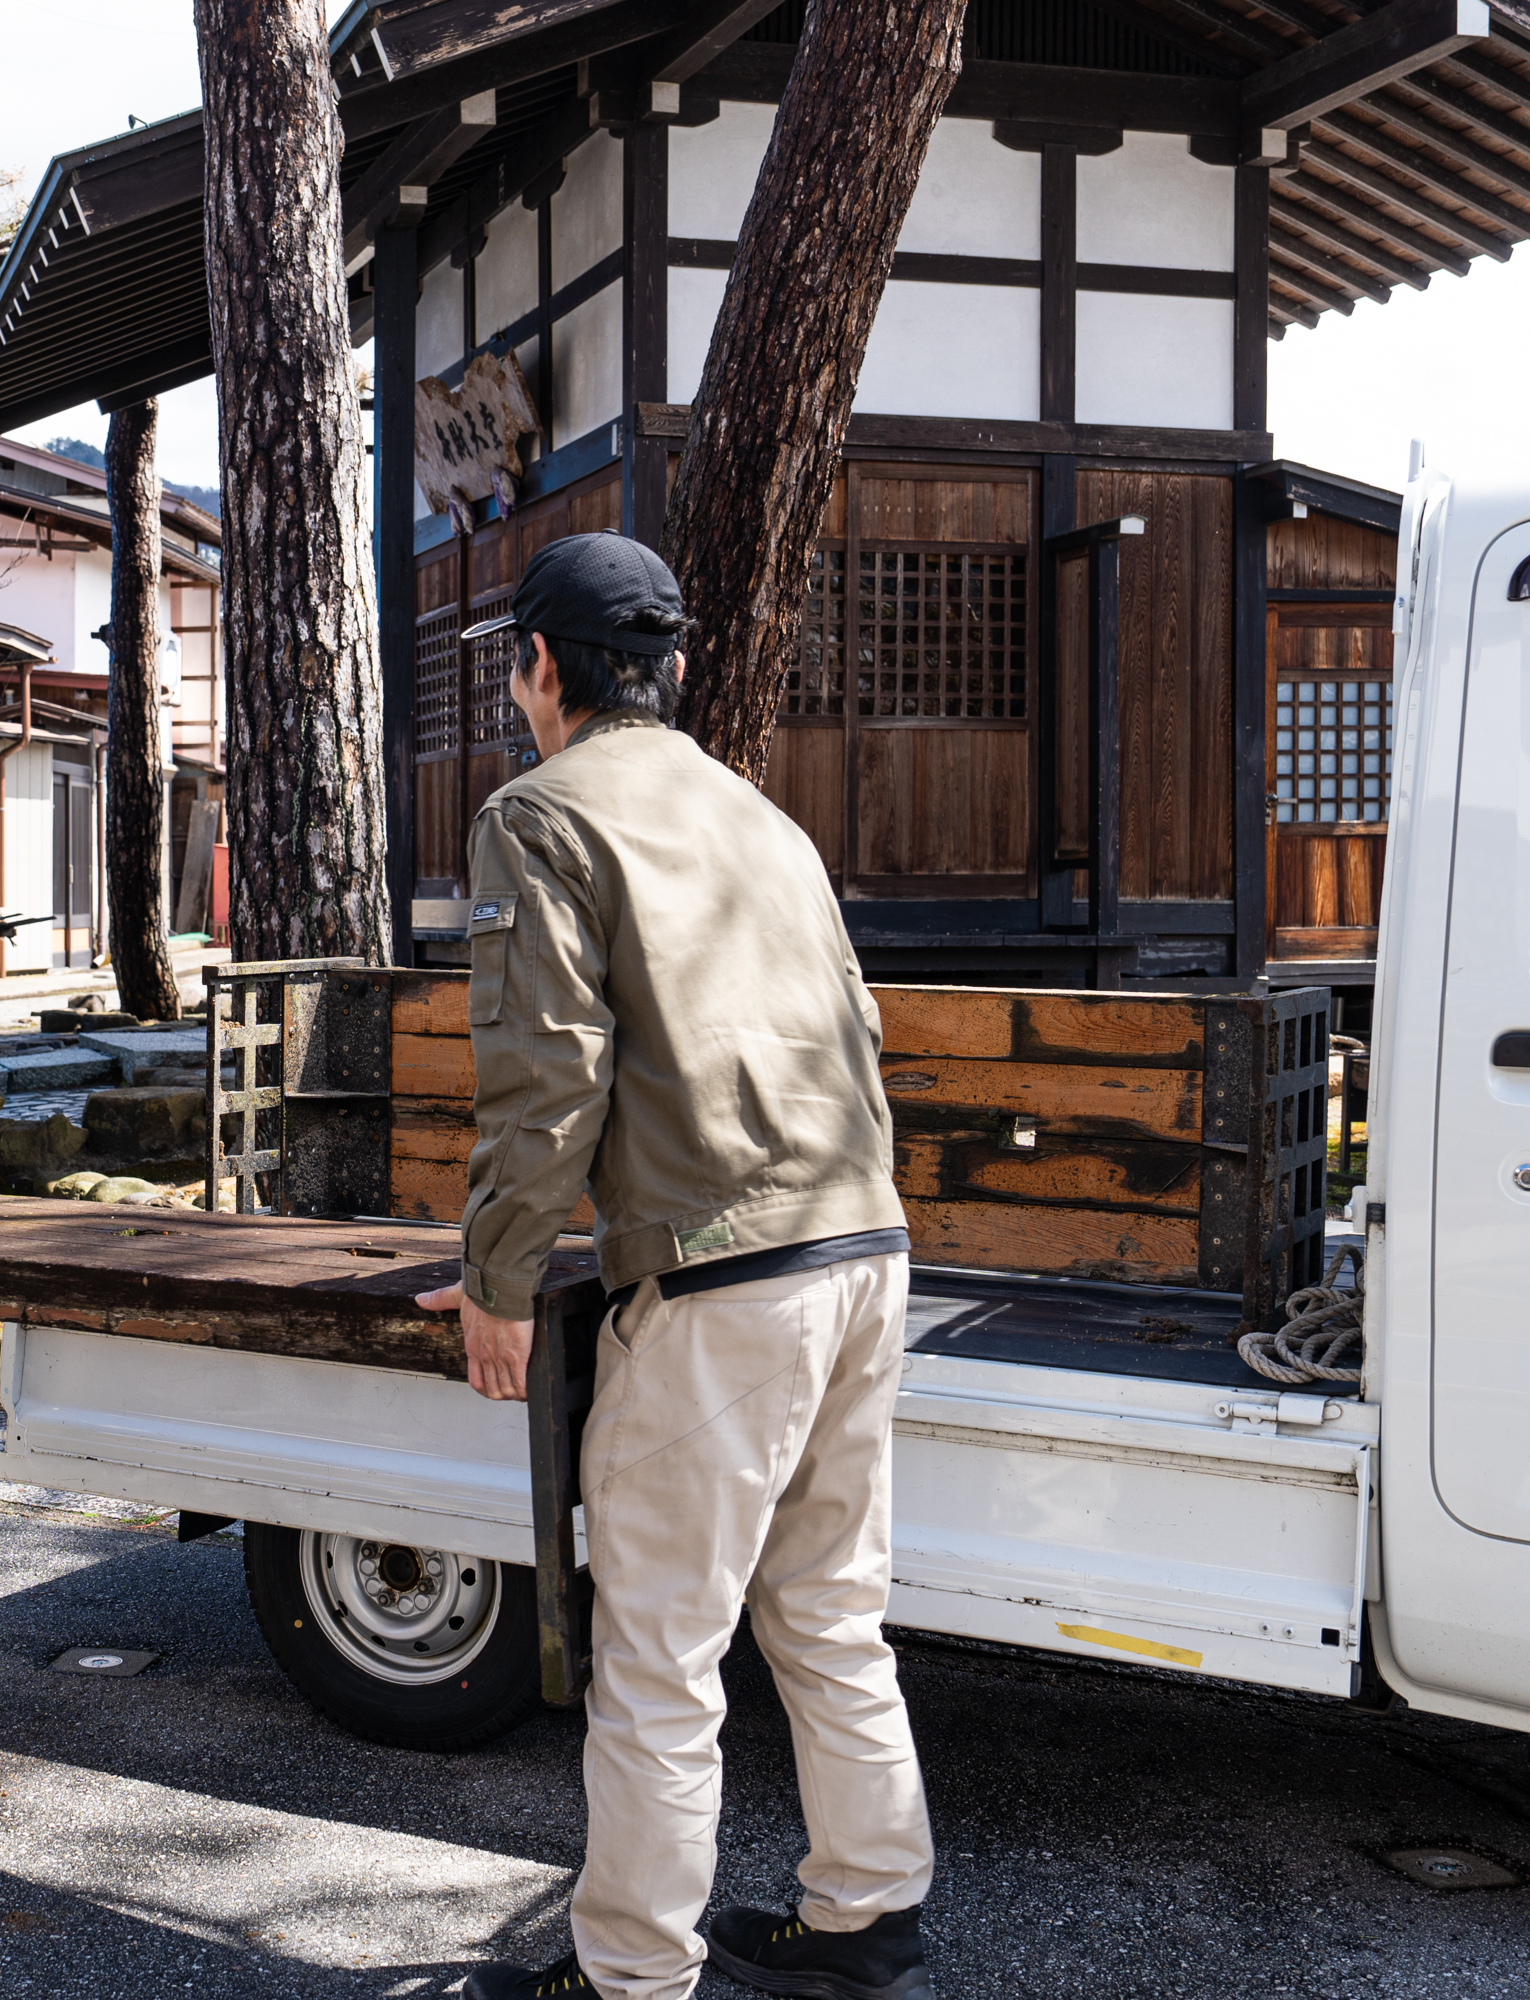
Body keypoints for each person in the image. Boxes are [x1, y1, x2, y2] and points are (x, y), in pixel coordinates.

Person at [418, 535, 936, 2000]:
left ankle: (634, 1974)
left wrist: (499, 1282)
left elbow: (545, 1082)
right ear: (677, 668)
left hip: (722, 1276)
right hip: (863, 1245)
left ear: (536, 667)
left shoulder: (539, 814)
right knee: (831, 1609)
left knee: (658, 1652)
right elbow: (862, 1036)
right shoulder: (765, 820)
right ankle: (868, 1908)